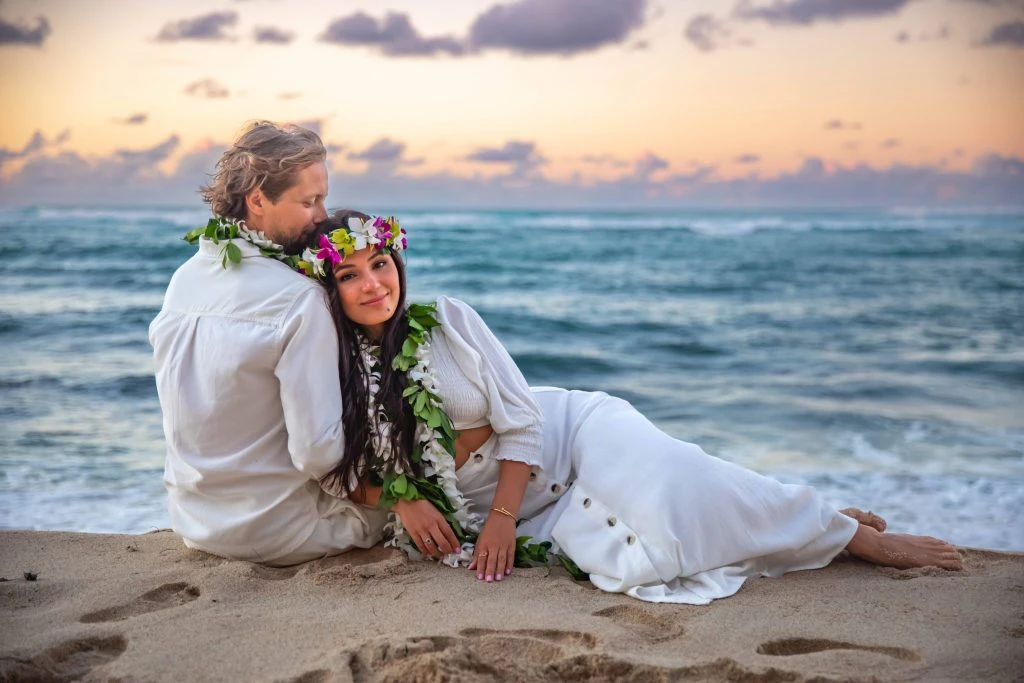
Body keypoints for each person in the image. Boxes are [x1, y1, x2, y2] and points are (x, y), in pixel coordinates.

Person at [321, 208, 960, 604]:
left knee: (675, 481)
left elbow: (523, 422)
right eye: (348, 274)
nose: (373, 283)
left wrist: (499, 518)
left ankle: (846, 536)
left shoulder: (450, 321)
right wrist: (402, 499)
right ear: (329, 287)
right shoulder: (330, 367)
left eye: (380, 263)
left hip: (568, 436)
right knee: (638, 560)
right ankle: (793, 522)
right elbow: (328, 467)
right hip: (512, 503)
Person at [149, 123, 386, 567]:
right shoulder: (299, 298)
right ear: (257, 199)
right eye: (308, 201)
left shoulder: (184, 280)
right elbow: (319, 453)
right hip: (279, 530)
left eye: (323, 198)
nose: (321, 215)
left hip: (193, 520)